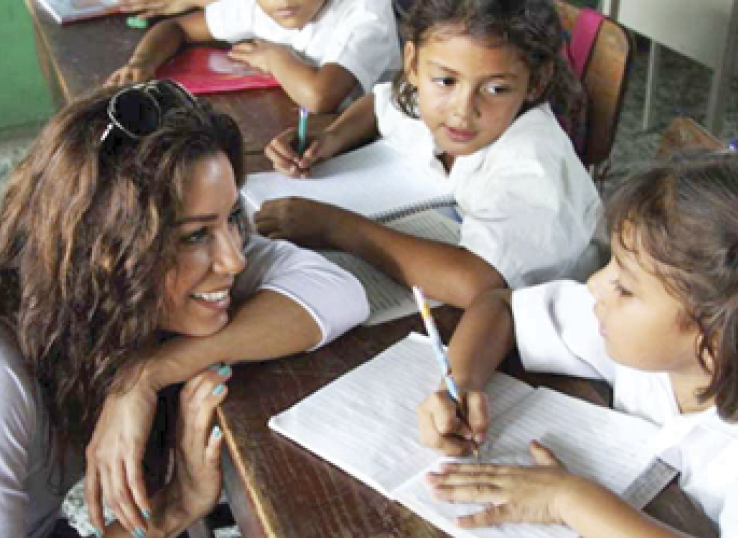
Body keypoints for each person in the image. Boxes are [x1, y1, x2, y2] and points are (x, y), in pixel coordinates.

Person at [0, 82, 369, 537]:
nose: (234, 258)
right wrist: (173, 509)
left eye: (231, 218)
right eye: (194, 235)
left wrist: (144, 374)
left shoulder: (80, 289)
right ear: (104, 250)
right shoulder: (5, 379)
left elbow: (336, 291)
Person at [416, 154, 738, 536]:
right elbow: (500, 307)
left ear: (715, 337)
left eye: (625, 287)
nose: (595, 285)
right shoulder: (656, 346)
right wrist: (462, 381)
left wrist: (569, 499)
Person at [255, 0, 601, 312]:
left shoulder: (534, 159)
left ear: (536, 82)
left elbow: (477, 284)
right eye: (446, 82)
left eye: (496, 89)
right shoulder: (430, 100)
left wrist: (336, 227)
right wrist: (331, 137)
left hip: (555, 331)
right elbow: (379, 105)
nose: (463, 111)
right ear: (412, 64)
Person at [106, 0, 402, 114]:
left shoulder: (365, 14)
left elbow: (320, 96)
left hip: (378, 138)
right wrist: (141, 62)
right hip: (304, 130)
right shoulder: (261, 5)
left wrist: (275, 57)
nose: (283, 2)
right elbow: (178, 27)